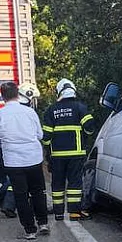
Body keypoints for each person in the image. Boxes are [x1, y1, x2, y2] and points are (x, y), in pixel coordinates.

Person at [0, 82, 48, 239]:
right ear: (17, 94)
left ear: (2, 97)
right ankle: (43, 223)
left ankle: (30, 230)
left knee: (21, 195)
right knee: (38, 192)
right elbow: (40, 135)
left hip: (13, 162)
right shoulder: (30, 112)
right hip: (34, 158)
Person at [42, 78, 97, 221]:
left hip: (57, 155)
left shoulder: (51, 110)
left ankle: (59, 213)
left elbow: (46, 137)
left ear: (59, 92)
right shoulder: (80, 107)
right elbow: (90, 127)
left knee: (57, 183)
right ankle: (74, 212)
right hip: (76, 154)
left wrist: (47, 153)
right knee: (74, 183)